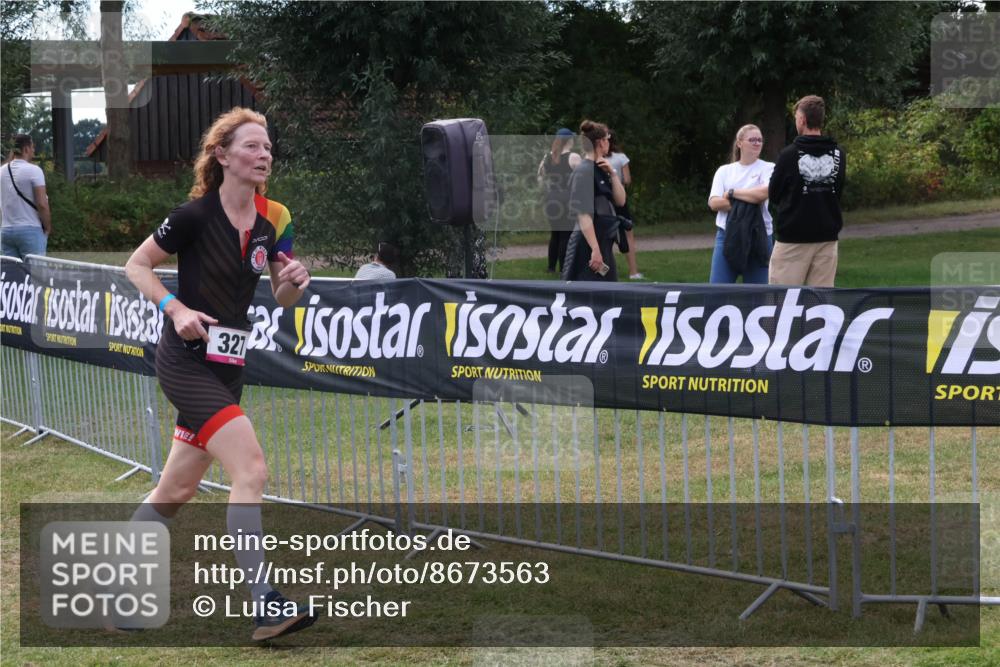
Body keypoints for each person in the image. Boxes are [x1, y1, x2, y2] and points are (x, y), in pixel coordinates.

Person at [124, 108, 316, 641]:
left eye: (269, 148)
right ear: (222, 155)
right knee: (250, 469)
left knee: (177, 489)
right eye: (253, 147)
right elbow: (136, 265)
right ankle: (266, 605)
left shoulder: (276, 216)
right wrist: (176, 309)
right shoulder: (191, 216)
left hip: (230, 365)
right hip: (185, 362)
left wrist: (296, 279)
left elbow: (283, 294)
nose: (264, 156)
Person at [768, 95, 846, 287]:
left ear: (802, 120)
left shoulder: (789, 154)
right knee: (820, 303)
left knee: (782, 301)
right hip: (827, 235)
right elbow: (837, 191)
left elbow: (774, 194)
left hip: (793, 239)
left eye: (796, 117)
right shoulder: (839, 154)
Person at [707, 124, 774, 284]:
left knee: (758, 297)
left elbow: (764, 194)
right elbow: (714, 203)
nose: (757, 143)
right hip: (727, 235)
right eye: (752, 140)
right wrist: (750, 199)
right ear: (739, 143)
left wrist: (732, 193)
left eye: (760, 140)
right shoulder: (724, 171)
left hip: (759, 236)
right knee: (717, 292)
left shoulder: (769, 168)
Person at [562, 119, 627, 282]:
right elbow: (583, 214)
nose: (609, 142)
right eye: (607, 138)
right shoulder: (583, 171)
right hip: (588, 245)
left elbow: (620, 201)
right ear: (600, 142)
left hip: (603, 241)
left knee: (609, 291)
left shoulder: (601, 168)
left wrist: (612, 174)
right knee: (585, 297)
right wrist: (595, 249)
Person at [1, 134, 52, 259]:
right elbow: (42, 204)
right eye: (32, 147)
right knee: (35, 275)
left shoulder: (1, 171)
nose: (34, 150)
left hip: (6, 231)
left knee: (12, 277)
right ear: (26, 149)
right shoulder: (34, 170)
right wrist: (48, 226)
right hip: (30, 230)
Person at [537, 128, 580, 273]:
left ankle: (551, 268)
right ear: (569, 140)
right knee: (565, 235)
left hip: (551, 198)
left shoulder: (547, 157)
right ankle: (564, 269)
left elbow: (540, 179)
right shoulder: (574, 157)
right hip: (567, 199)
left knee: (555, 233)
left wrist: (547, 191)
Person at [606, 130, 643, 280]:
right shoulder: (621, 158)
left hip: (603, 201)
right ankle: (633, 271)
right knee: (628, 235)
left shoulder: (595, 158)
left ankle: (603, 270)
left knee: (603, 235)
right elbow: (627, 180)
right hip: (620, 199)